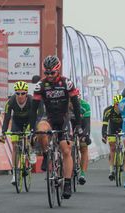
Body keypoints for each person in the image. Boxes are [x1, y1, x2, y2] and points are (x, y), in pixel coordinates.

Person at [30, 55, 82, 199]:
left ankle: (66, 183)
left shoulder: (67, 83)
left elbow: (76, 105)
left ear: (58, 71)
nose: (50, 76)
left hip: (63, 119)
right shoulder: (41, 85)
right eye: (46, 73)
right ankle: (46, 153)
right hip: (49, 118)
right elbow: (33, 109)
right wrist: (31, 129)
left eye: (52, 73)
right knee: (41, 129)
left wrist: (78, 124)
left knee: (66, 150)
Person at [0, 81, 32, 185]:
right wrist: (3, 132)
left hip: (28, 121)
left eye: (23, 93)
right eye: (17, 93)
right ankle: (14, 173)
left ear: (26, 93)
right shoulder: (11, 101)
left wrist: (32, 131)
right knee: (15, 146)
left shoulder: (31, 100)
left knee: (27, 137)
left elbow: (35, 117)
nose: (20, 96)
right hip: (16, 122)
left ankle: (29, 153)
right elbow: (7, 118)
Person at [69, 91, 91, 185]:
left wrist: (85, 136)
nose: (74, 103)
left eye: (77, 100)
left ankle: (82, 174)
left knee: (84, 147)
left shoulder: (85, 105)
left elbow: (87, 124)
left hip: (81, 125)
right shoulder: (66, 104)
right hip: (70, 125)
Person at [102, 95, 123, 181]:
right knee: (112, 148)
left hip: (122, 128)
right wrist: (104, 135)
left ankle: (122, 160)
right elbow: (105, 124)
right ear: (114, 104)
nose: (119, 106)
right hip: (112, 129)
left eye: (121, 104)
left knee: (124, 144)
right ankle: (111, 170)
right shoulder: (108, 111)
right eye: (118, 104)